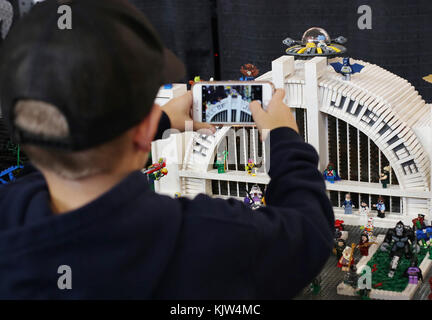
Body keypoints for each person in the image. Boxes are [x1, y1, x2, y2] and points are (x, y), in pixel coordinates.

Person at [0, 0, 334, 299]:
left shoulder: (10, 213)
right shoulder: (207, 236)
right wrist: (284, 138)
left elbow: (44, 174)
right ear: (145, 129)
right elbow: (308, 231)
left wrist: (152, 122)